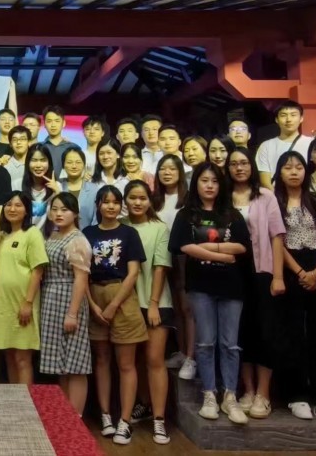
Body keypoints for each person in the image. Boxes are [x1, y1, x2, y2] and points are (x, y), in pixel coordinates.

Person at [169, 162, 250, 425]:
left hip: (231, 287)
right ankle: (209, 395)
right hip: (200, 287)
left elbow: (242, 247)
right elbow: (182, 246)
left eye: (214, 181)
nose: (210, 186)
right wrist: (221, 254)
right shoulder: (186, 215)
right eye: (204, 180)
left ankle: (230, 396)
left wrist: (207, 247)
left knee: (231, 344)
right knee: (205, 343)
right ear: (196, 184)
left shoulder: (232, 214)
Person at [272, 151, 316, 422]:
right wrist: (301, 272)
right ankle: (296, 395)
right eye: (288, 167)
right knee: (291, 332)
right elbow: (276, 241)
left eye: (299, 167)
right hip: (289, 265)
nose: (294, 172)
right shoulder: (274, 202)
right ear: (279, 172)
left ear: (306, 170)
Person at [83, 185, 147, 445]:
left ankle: (125, 421)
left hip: (122, 297)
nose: (110, 206)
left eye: (115, 202)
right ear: (98, 205)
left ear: (121, 205)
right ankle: (106, 416)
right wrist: (92, 305)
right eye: (105, 201)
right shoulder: (87, 233)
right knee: (101, 360)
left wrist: (113, 305)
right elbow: (82, 273)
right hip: (94, 295)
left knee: (126, 364)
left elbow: (133, 273)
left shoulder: (129, 233)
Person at [227, 148, 286, 420]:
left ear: (251, 166)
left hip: (262, 271)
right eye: (233, 164)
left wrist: (278, 276)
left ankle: (263, 393)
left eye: (243, 163)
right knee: (240, 332)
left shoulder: (265, 196)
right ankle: (248, 390)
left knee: (264, 331)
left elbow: (277, 236)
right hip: (231, 273)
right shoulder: (223, 198)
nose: (239, 168)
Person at [123, 181, 173, 444]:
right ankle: (143, 403)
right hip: (126, 303)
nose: (137, 202)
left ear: (150, 201)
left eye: (142, 198)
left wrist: (153, 303)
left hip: (155, 301)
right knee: (135, 360)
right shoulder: (120, 225)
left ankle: (159, 418)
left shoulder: (159, 228)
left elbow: (160, 267)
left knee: (154, 359)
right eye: (132, 197)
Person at [40, 193, 92, 414]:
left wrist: (72, 313)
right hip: (50, 299)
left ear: (75, 213)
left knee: (75, 363)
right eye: (55, 209)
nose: (59, 214)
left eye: (64, 210)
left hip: (68, 298)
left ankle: (76, 416)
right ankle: (64, 414)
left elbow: (81, 278)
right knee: (60, 364)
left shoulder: (77, 240)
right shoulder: (53, 235)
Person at [0, 192, 49, 385]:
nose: (12, 209)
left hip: (23, 303)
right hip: (3, 306)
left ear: (26, 211)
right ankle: (15, 399)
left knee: (22, 359)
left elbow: (38, 270)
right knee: (9, 357)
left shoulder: (32, 233)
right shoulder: (1, 236)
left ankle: (26, 400)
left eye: (18, 205)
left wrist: (28, 302)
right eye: (8, 205)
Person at [153, 155, 196, 379]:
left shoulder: (189, 199)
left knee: (187, 307)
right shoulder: (154, 199)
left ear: (180, 172)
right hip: (161, 257)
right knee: (175, 307)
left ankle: (191, 357)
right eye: (163, 169)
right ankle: (181, 350)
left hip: (183, 256)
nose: (167, 172)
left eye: (172, 168)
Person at [257, 100, 315, 189]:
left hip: (307, 194)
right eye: (283, 115)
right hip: (275, 195)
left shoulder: (312, 143)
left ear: (301, 118)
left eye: (293, 115)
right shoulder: (266, 146)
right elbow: (265, 181)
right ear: (276, 119)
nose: (288, 119)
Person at [59, 147, 101, 228]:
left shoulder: (94, 189)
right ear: (63, 165)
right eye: (69, 162)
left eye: (78, 162)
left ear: (84, 165)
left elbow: (96, 219)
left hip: (88, 234)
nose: (74, 166)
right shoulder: (59, 188)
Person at [22, 144, 60, 229]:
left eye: (43, 160)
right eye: (34, 160)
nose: (38, 165)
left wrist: (57, 192)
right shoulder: (17, 184)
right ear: (27, 163)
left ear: (49, 163)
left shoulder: (57, 186)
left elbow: (61, 217)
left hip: (49, 236)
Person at [42, 105, 77, 174]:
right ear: (44, 124)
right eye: (49, 121)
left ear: (63, 123)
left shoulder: (73, 148)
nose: (53, 125)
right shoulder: (39, 147)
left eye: (57, 121)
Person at [6, 125, 31, 191]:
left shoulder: (36, 164)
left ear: (29, 142)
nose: (18, 142)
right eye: (15, 140)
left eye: (22, 139)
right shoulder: (5, 167)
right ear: (10, 144)